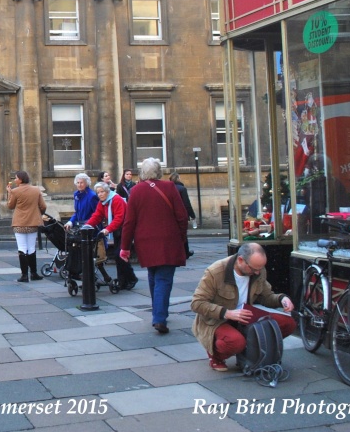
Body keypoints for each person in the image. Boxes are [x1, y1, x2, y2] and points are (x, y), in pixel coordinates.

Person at [190, 242, 297, 372]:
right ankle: (216, 355)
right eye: (253, 269)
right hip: (218, 319)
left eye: (260, 268)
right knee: (235, 342)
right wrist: (227, 313)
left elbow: (266, 296)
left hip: (245, 315)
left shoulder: (258, 270)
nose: (257, 272)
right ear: (241, 260)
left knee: (288, 323)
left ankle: (249, 349)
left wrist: (282, 299)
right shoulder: (215, 271)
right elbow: (197, 303)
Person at [120, 157, 188, 334]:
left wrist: (125, 247)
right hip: (168, 239)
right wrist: (181, 237)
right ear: (159, 172)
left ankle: (158, 311)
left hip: (145, 241)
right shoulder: (169, 187)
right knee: (164, 279)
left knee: (153, 275)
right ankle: (159, 317)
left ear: (143, 173)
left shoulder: (135, 191)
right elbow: (182, 216)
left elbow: (129, 222)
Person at [86, 181, 137, 289]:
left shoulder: (116, 200)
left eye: (102, 192)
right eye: (98, 192)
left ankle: (131, 278)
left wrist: (107, 229)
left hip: (125, 229)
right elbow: (97, 215)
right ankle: (123, 281)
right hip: (118, 231)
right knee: (118, 255)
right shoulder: (103, 202)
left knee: (120, 255)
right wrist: (86, 226)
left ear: (107, 191)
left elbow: (119, 218)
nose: (100, 194)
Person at [7, 170, 46, 282]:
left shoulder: (15, 191)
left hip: (19, 222)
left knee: (22, 248)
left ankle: (24, 275)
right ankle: (33, 273)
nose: (14, 180)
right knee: (31, 248)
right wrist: (39, 214)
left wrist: (9, 193)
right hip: (33, 222)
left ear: (20, 179)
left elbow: (10, 206)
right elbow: (43, 206)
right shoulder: (36, 190)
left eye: (16, 178)